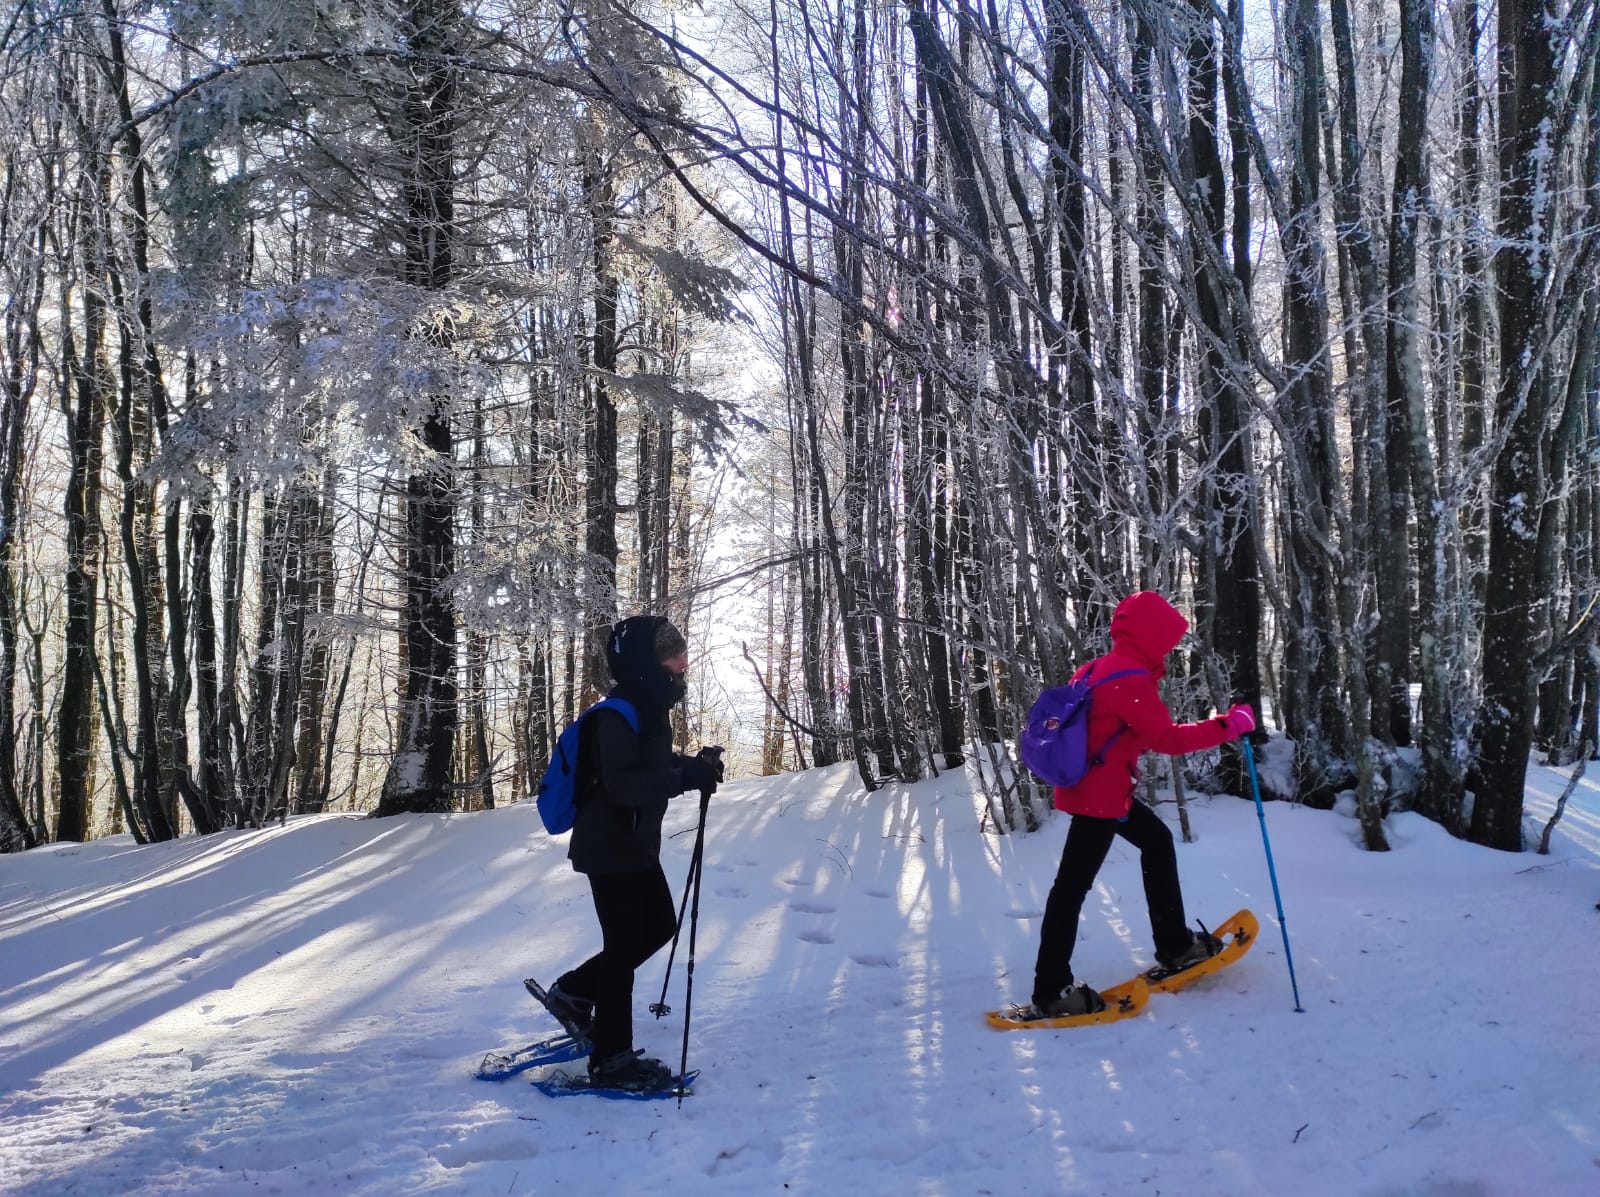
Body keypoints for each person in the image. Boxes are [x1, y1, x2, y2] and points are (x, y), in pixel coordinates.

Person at [1029, 590, 1256, 1018]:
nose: (1169, 647)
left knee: (1156, 841)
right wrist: (1229, 725)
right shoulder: (1128, 679)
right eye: (1167, 637)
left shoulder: (1094, 669)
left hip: (1098, 790)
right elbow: (1167, 739)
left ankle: (1174, 945)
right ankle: (1051, 990)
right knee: (1071, 889)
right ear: (1151, 634)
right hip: (1101, 798)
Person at [535, 614, 724, 1090]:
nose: (682, 662)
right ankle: (611, 1059)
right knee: (622, 951)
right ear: (644, 662)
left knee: (659, 926)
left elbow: (651, 765)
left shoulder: (648, 706)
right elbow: (622, 785)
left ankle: (575, 993)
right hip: (609, 846)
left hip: (634, 844)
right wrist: (683, 779)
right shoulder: (615, 714)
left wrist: (692, 765)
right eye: (670, 654)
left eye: (680, 651)